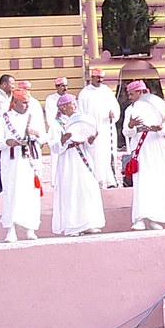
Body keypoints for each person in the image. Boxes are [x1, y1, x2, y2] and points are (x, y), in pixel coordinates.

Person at [49, 94, 106, 236]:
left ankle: (89, 223)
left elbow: (88, 143)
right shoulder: (56, 124)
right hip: (68, 161)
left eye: (75, 103)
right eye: (72, 104)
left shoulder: (81, 120)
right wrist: (62, 140)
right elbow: (54, 147)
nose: (75, 106)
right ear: (63, 107)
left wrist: (91, 140)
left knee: (87, 188)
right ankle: (72, 226)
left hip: (83, 158)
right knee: (71, 190)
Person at [0, 88, 42, 242]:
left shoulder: (33, 117)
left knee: (31, 193)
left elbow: (45, 138)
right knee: (12, 193)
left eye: (28, 103)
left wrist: (36, 134)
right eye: (24, 103)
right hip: (12, 163)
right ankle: (11, 229)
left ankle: (30, 228)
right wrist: (7, 142)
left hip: (30, 161)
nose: (27, 106)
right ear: (14, 102)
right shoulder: (4, 119)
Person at [122, 80, 165, 230]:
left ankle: (155, 218)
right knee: (142, 182)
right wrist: (131, 126)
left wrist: (161, 127)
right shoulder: (130, 110)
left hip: (156, 145)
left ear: (141, 92)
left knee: (157, 181)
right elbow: (126, 132)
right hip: (141, 148)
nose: (130, 97)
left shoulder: (159, 107)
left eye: (132, 94)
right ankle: (139, 219)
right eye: (129, 94)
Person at [78, 67, 121, 188]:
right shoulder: (85, 93)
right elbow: (81, 113)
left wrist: (113, 114)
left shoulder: (106, 91)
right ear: (92, 77)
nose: (100, 80)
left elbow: (115, 107)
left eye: (102, 77)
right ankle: (97, 180)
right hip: (92, 130)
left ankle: (109, 180)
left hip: (106, 128)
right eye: (98, 77)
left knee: (107, 153)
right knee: (94, 154)